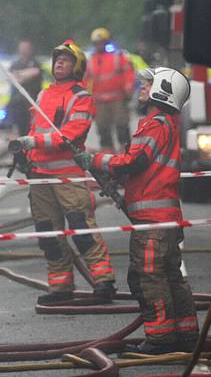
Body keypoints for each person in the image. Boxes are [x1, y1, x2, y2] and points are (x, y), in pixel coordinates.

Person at [74, 67, 199, 354]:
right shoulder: (168, 123)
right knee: (170, 277)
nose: (140, 88)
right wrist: (119, 178)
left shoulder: (154, 123)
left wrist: (95, 160)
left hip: (151, 224)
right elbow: (146, 167)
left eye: (148, 84)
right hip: (165, 220)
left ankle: (160, 339)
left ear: (162, 91)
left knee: (147, 277)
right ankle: (187, 335)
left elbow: (136, 161)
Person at [12, 40, 116, 305]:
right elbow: (36, 130)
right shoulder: (43, 95)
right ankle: (60, 286)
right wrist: (26, 154)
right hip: (40, 176)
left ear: (76, 66)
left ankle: (104, 282)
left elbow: (70, 135)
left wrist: (33, 143)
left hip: (68, 176)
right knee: (48, 232)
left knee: (81, 228)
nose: (59, 62)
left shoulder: (82, 98)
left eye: (66, 60)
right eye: (57, 58)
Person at [85, 27, 135, 152]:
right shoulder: (91, 59)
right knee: (102, 127)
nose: (99, 45)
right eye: (96, 43)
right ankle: (107, 152)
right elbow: (85, 78)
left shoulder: (118, 56)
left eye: (101, 42)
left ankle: (125, 150)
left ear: (107, 42)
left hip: (117, 98)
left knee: (122, 125)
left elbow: (128, 72)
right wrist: (84, 95)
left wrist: (129, 87)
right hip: (99, 100)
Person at [8, 40, 43, 136]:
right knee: (20, 127)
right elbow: (12, 77)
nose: (23, 50)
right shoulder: (15, 64)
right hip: (18, 103)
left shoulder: (35, 63)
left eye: (25, 48)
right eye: (22, 48)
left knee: (31, 127)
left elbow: (35, 72)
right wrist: (25, 74)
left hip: (32, 102)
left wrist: (19, 74)